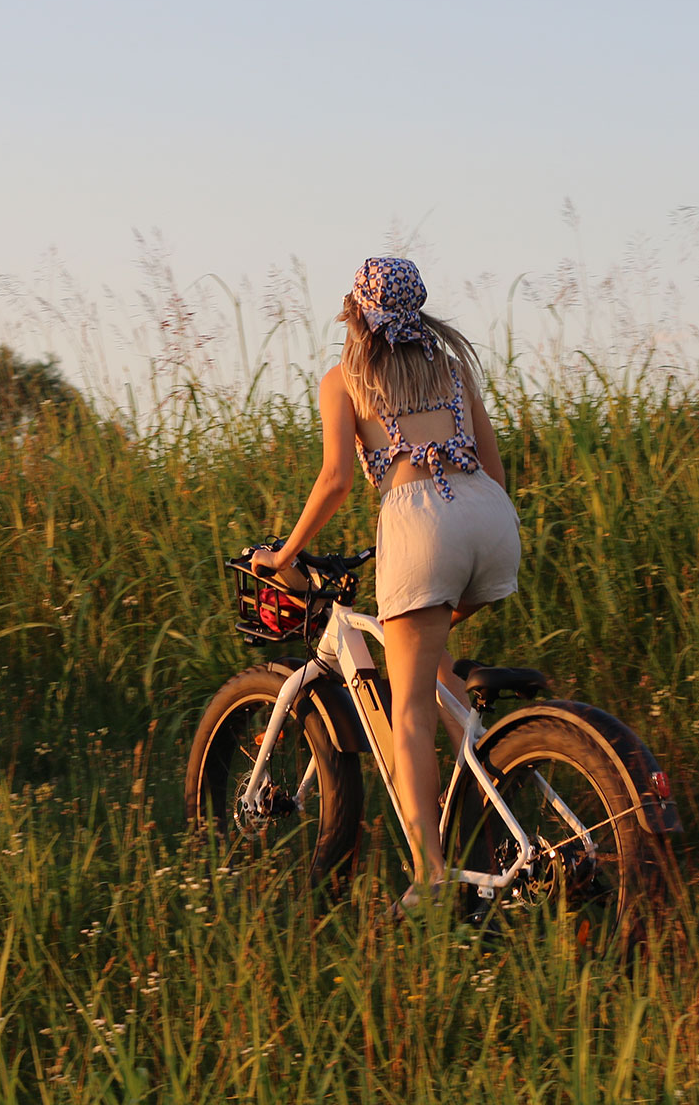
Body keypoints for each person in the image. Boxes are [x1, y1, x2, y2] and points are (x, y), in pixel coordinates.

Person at [249, 256, 521, 914]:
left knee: (407, 709)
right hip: (491, 519)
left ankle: (431, 878)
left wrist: (285, 552)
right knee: (434, 673)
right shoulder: (452, 371)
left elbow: (337, 479)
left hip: (422, 524)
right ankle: (502, 807)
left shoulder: (344, 379)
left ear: (355, 312)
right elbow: (495, 469)